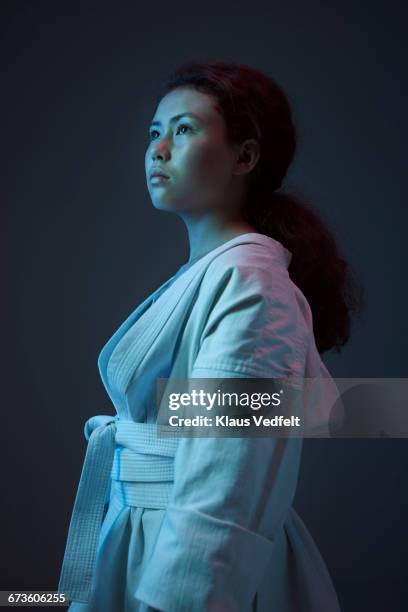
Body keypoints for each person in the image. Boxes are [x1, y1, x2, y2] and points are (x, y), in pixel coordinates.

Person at [58, 60, 363, 611]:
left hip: (194, 560)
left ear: (244, 157)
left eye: (184, 129)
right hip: (141, 538)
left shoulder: (253, 286)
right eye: (154, 132)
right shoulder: (218, 275)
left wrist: (175, 599)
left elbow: (229, 482)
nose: (158, 149)